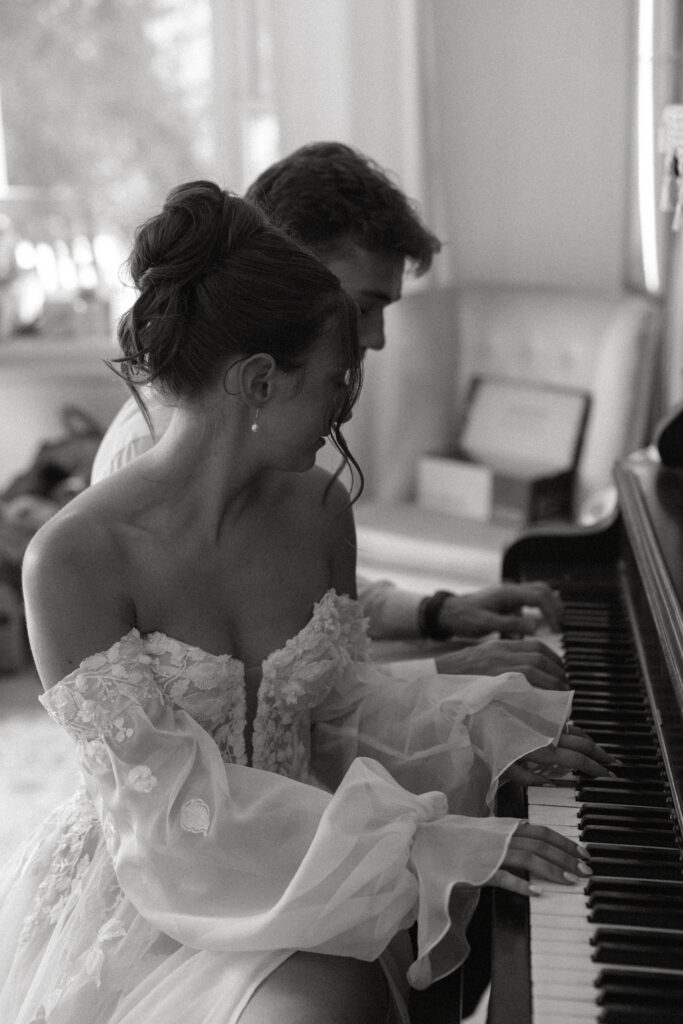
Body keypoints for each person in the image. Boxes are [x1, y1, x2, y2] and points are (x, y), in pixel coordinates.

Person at [0, 182, 614, 1024]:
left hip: (313, 844)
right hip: (166, 884)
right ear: (257, 382)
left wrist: (483, 718)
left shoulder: (320, 509)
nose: (347, 407)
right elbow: (173, 820)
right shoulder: (71, 559)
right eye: (337, 379)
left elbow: (330, 705)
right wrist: (413, 843)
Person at [91, 142, 566, 692]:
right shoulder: (149, 454)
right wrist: (447, 674)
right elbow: (238, 712)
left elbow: (290, 588)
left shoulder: (262, 420)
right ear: (285, 275)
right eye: (361, 308)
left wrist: (435, 612)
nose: (378, 339)